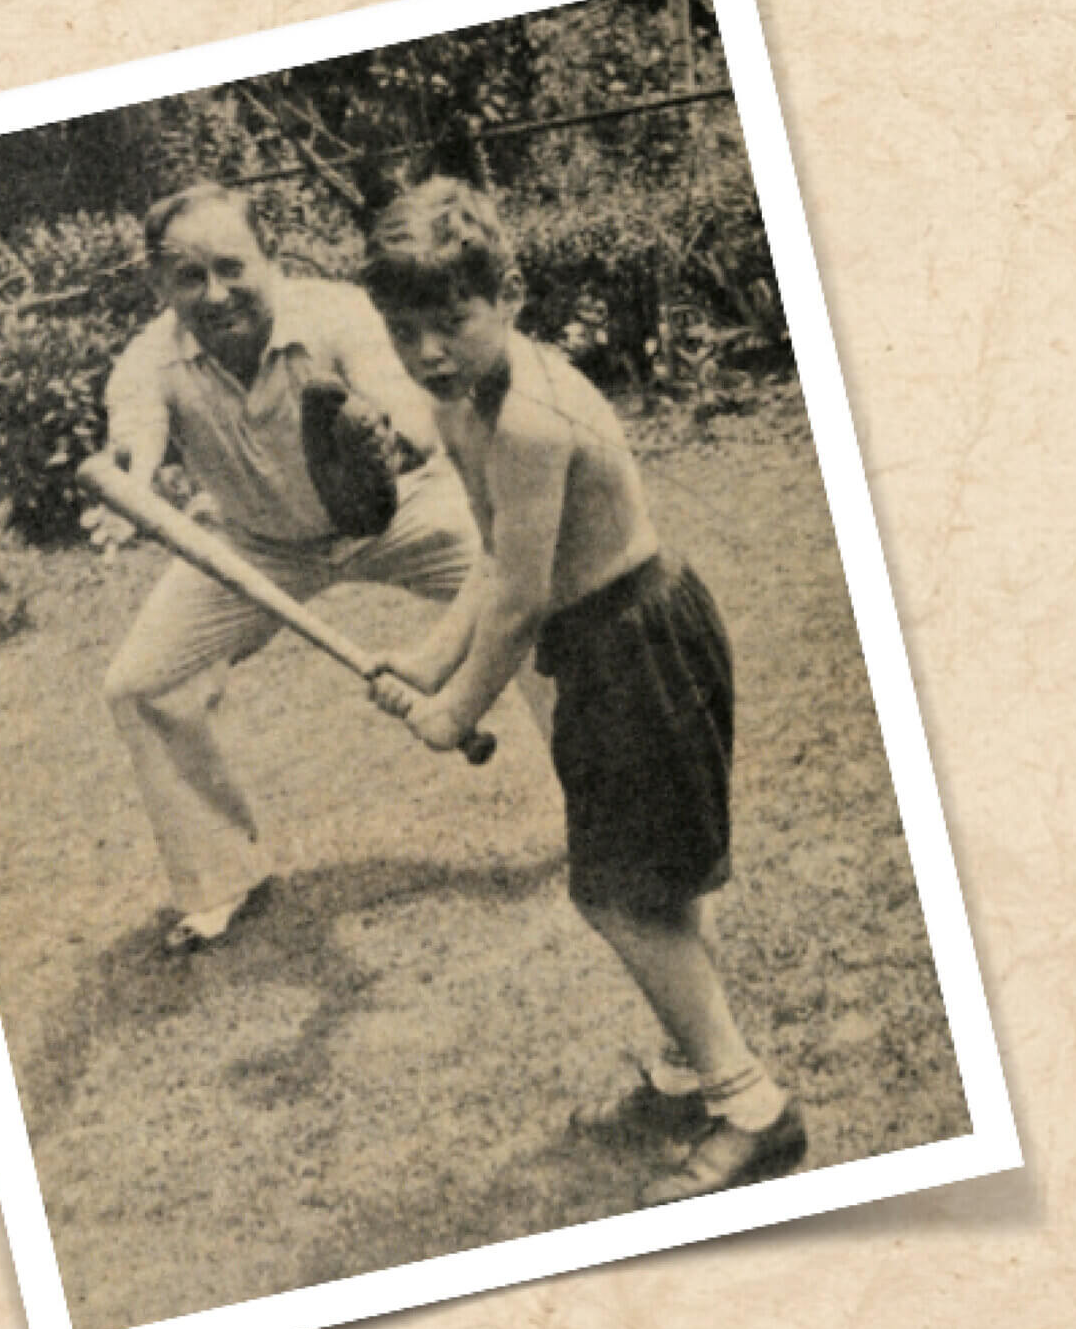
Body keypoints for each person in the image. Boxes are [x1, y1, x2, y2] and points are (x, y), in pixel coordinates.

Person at [359, 177, 806, 1206]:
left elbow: (518, 601)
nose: (427, 350)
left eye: (450, 320)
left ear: (508, 295)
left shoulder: (527, 418)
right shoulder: (462, 402)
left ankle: (754, 1110)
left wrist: (456, 709)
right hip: (601, 649)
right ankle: (693, 1073)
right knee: (645, 882)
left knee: (622, 894)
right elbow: (493, 556)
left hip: (637, 643)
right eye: (404, 328)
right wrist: (429, 658)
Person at [97, 182, 550, 956]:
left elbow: (406, 406)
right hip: (257, 542)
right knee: (141, 684)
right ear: (158, 284)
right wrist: (130, 486)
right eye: (189, 277)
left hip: (401, 511)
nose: (215, 293)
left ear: (269, 255)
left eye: (232, 267)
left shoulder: (338, 313)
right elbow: (133, 435)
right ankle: (221, 881)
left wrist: (395, 437)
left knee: (538, 595)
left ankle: (615, 801)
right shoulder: (149, 360)